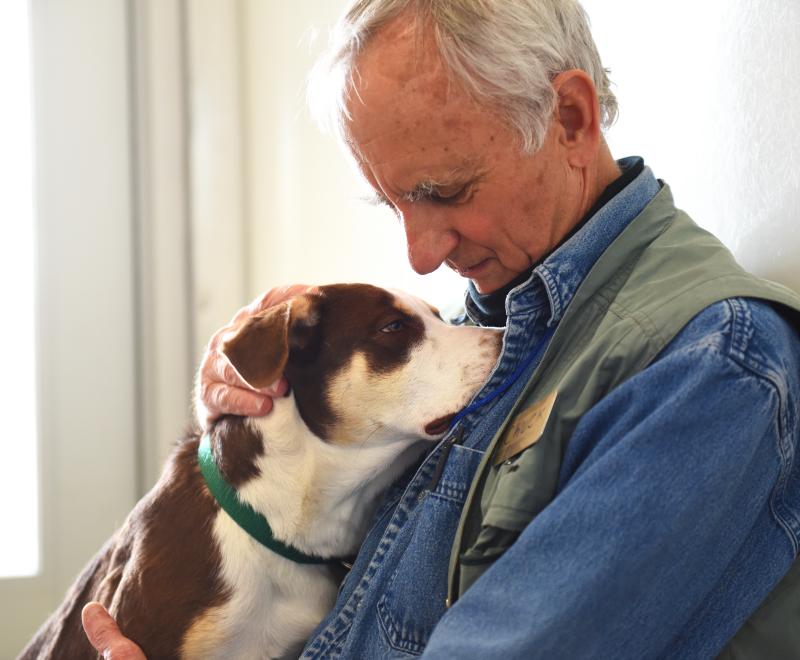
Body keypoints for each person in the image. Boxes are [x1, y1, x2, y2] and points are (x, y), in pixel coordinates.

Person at [83, 1, 800, 658]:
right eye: (393, 203)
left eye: (444, 191)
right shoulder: (488, 328)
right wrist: (250, 413)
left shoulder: (707, 370)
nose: (420, 256)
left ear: (571, 119)